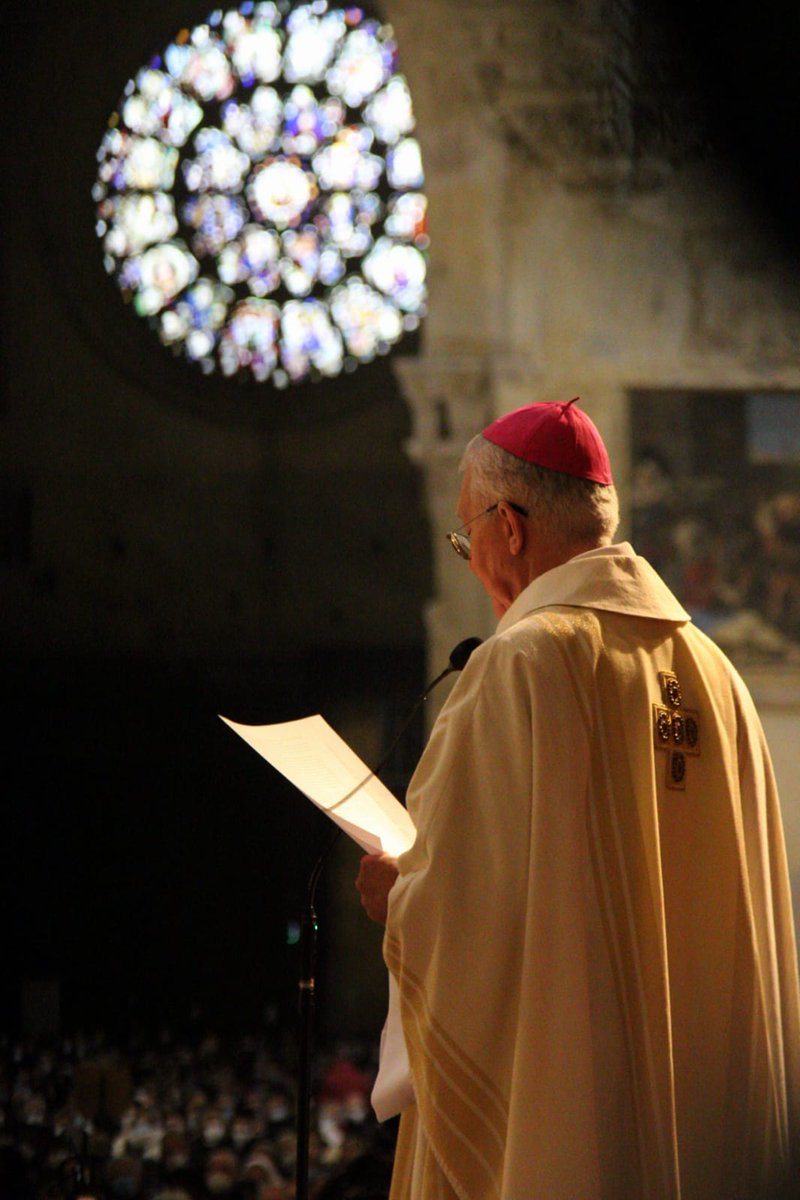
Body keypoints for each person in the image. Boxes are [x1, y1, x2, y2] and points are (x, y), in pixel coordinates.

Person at [355, 398, 800, 1200]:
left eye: (467, 537)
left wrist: (401, 898)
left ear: (509, 527)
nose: (473, 557)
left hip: (567, 1133)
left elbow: (464, 918)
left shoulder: (518, 665)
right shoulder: (719, 677)